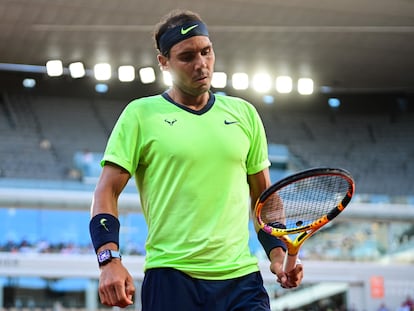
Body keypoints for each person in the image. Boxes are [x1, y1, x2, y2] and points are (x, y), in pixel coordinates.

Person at [89, 9, 303, 310]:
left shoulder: (244, 114)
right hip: (172, 277)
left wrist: (278, 255)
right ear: (164, 62)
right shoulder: (140, 115)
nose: (201, 64)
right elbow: (106, 191)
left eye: (206, 51)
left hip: (241, 280)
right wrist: (108, 259)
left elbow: (263, 198)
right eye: (187, 57)